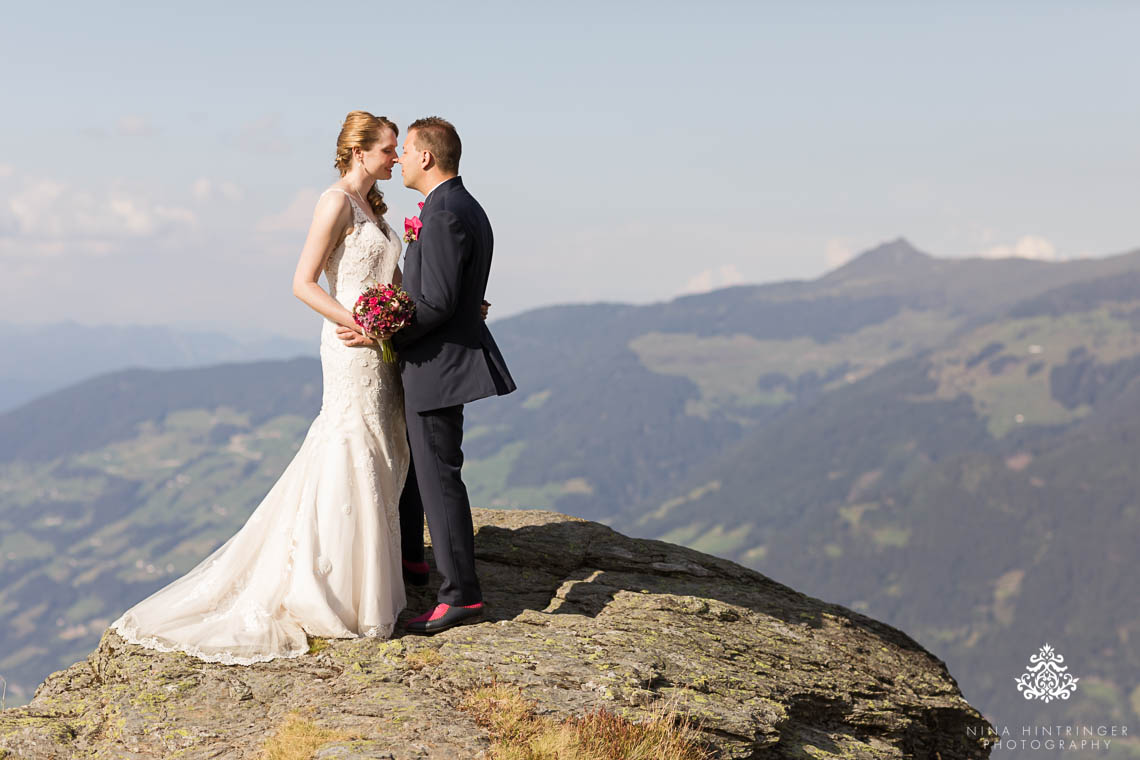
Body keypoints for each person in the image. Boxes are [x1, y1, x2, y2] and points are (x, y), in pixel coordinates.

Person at [109, 111, 411, 664]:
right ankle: (336, 591)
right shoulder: (335, 202)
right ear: (361, 151)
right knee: (351, 448)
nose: (397, 157)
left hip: (380, 350)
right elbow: (301, 281)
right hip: (349, 347)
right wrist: (358, 321)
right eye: (390, 149)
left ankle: (365, 582)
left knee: (384, 447)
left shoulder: (376, 209)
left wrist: (394, 318)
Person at [336, 116, 516, 635]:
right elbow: (452, 293)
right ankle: (413, 559)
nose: (399, 159)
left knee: (438, 478)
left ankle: (461, 596)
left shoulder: (442, 215)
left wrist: (379, 334)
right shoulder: (460, 206)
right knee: (421, 470)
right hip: (438, 362)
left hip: (436, 367)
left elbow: (434, 302)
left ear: (426, 157)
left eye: (406, 150)